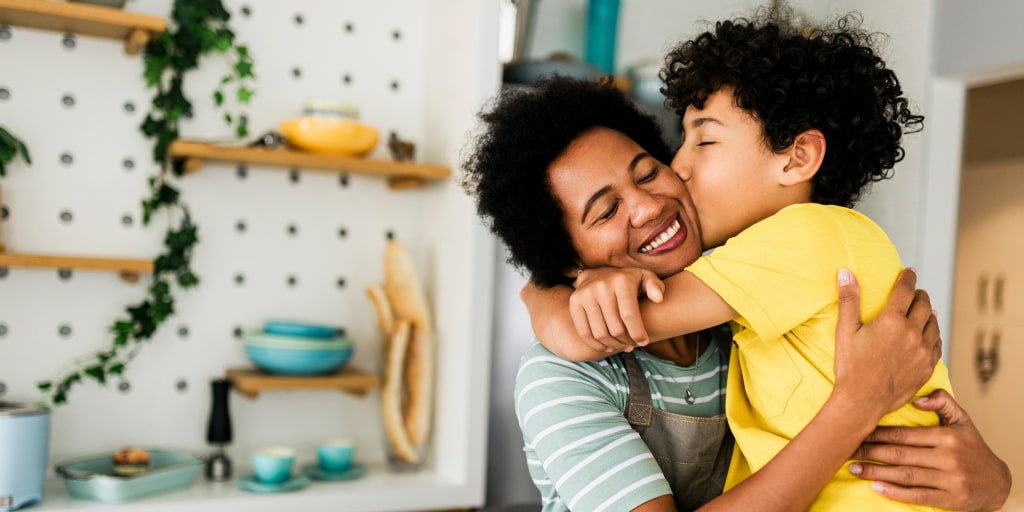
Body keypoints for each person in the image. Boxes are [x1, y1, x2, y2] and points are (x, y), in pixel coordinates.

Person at [508, 10, 1006, 512]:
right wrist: (857, 405)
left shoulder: (760, 280)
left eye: (652, 170)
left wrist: (993, 480)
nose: (672, 178)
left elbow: (583, 333)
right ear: (566, 258)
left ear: (796, 158)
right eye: (608, 210)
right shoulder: (567, 377)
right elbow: (576, 343)